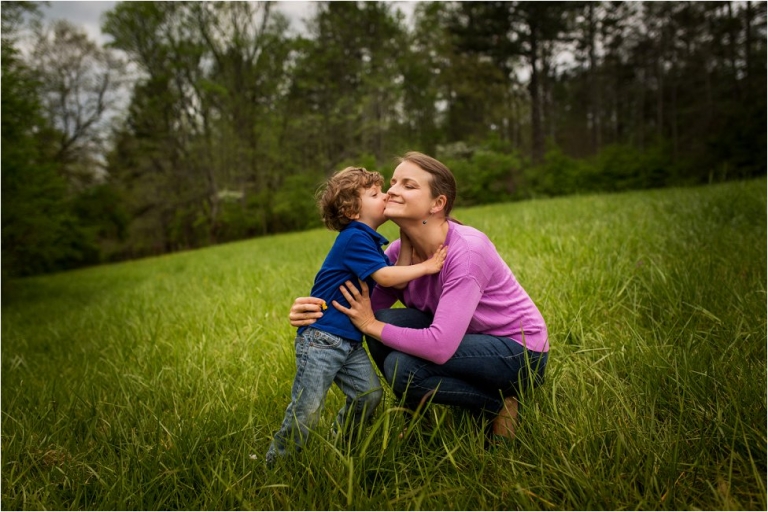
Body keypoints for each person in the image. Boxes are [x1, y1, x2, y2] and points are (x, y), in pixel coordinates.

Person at [289, 152, 549, 442]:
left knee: (401, 365)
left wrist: (370, 325)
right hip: (464, 341)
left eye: (408, 185)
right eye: (393, 182)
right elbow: (361, 307)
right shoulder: (397, 255)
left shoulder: (467, 252)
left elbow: (438, 346)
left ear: (437, 204)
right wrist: (316, 313)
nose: (392, 192)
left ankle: (497, 403)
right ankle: (419, 421)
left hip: (518, 352)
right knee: (384, 323)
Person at [266, 166, 447, 466]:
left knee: (370, 395)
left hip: (348, 341)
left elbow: (397, 277)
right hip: (322, 339)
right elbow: (387, 277)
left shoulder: (370, 240)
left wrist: (406, 239)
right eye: (376, 194)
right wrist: (427, 267)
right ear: (352, 211)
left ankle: (341, 441)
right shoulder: (354, 238)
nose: (386, 195)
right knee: (307, 407)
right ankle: (278, 461)